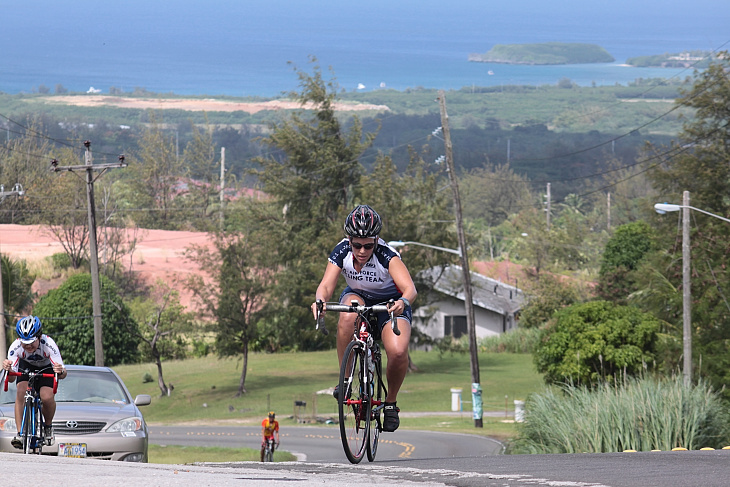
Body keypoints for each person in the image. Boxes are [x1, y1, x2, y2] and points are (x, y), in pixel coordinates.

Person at [311, 204, 417, 433]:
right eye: (356, 245)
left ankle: (390, 403)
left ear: (376, 240)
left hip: (390, 304)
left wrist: (402, 302)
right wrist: (320, 301)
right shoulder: (341, 251)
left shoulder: (387, 255)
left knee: (398, 352)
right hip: (358, 297)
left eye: (368, 245)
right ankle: (346, 379)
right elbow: (327, 285)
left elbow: (410, 288)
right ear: (349, 240)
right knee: (348, 312)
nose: (361, 251)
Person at [2, 315, 67, 448]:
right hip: (25, 366)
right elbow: (13, 377)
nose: (28, 346)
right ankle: (20, 434)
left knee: (47, 396)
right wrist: (8, 369)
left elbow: (63, 374)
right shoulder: (15, 347)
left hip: (46, 368)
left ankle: (48, 426)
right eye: (24, 343)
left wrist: (60, 371)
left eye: (31, 342)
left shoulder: (49, 344)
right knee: (21, 391)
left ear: (39, 337)